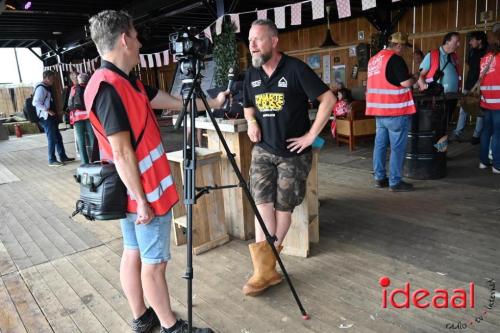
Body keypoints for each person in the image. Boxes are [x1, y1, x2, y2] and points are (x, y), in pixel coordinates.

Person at [85, 10, 227, 333]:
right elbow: (121, 151)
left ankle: (142, 317)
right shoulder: (109, 89)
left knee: (133, 253)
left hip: (133, 192)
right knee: (155, 264)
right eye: (135, 36)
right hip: (144, 193)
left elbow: (170, 100)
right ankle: (170, 326)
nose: (139, 42)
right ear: (124, 39)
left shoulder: (121, 82)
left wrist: (214, 103)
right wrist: (143, 201)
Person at [242, 19, 335, 296]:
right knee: (262, 206)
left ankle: (264, 270)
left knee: (283, 208)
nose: (253, 46)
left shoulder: (295, 70)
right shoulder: (251, 74)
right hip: (263, 150)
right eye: (250, 41)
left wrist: (310, 136)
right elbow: (248, 105)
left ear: (274, 41)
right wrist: (251, 123)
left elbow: (328, 100)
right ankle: (265, 270)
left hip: (293, 154)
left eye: (258, 39)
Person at [366, 32, 416, 192]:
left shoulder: (373, 60)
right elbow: (405, 82)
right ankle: (395, 182)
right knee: (397, 148)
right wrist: (415, 78)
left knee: (380, 145)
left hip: (379, 111)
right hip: (395, 110)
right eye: (403, 48)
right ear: (398, 45)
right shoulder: (395, 58)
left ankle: (380, 178)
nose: (403, 51)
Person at [450, 31, 488, 144]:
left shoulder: (487, 53)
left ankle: (476, 136)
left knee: (480, 112)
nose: (470, 42)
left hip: (481, 86)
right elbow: (470, 69)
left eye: (472, 39)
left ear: (480, 40)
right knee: (464, 109)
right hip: (468, 85)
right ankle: (457, 133)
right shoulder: (471, 52)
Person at [33, 70, 75, 166]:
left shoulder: (46, 87)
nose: (54, 80)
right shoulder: (41, 88)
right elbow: (35, 102)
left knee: (58, 138)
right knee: (51, 138)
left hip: (50, 117)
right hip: (46, 117)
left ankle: (63, 156)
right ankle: (52, 160)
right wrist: (47, 110)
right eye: (52, 78)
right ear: (47, 78)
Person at [418, 32, 462, 123]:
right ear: (447, 42)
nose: (459, 44)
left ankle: (443, 137)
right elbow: (419, 75)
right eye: (456, 41)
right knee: (436, 124)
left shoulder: (454, 56)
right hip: (437, 99)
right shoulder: (432, 55)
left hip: (452, 97)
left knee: (446, 123)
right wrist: (425, 89)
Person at [478, 23, 500, 174]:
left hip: (486, 102)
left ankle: (483, 162)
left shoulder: (484, 59)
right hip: (499, 102)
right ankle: (497, 165)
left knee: (486, 131)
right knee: (498, 134)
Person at [68, 72, 94, 165]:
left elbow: (70, 104)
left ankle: (84, 162)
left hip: (77, 117)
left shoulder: (74, 88)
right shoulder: (90, 88)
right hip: (88, 116)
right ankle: (94, 159)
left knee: (81, 140)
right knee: (92, 138)